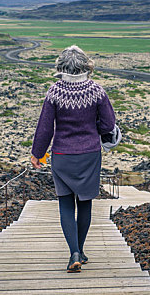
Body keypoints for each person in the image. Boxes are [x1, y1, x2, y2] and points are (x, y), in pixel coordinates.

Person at [30, 45, 116, 273]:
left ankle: (74, 252)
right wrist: (93, 129)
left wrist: (37, 153)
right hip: (89, 154)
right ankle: (80, 250)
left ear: (61, 67)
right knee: (85, 202)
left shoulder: (54, 92)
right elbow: (108, 124)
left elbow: (45, 128)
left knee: (66, 204)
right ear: (86, 66)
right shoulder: (97, 91)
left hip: (62, 155)